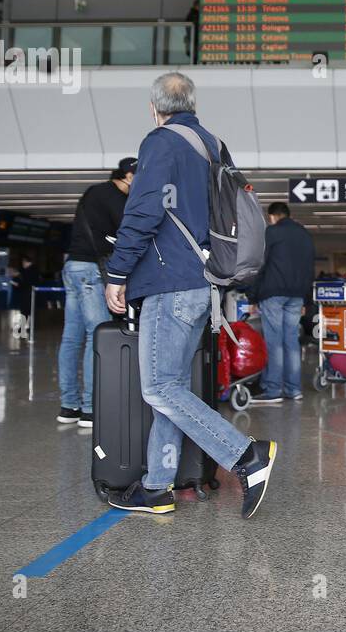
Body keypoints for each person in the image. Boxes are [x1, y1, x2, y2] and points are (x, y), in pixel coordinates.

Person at [102, 72, 277, 519]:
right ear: (193, 105)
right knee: (171, 390)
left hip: (170, 283)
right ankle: (157, 488)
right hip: (204, 283)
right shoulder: (213, 145)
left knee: (159, 387)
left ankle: (245, 456)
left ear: (154, 108)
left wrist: (117, 272)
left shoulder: (160, 142)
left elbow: (144, 210)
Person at [56, 157, 135, 427]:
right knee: (97, 334)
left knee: (71, 338)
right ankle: (90, 408)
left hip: (72, 266)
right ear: (127, 175)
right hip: (90, 269)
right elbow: (128, 232)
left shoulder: (93, 191)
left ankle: (68, 406)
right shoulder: (115, 197)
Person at [249, 201, 315, 403]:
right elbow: (309, 268)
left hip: (274, 294)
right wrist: (306, 299)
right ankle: (294, 389)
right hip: (296, 295)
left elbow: (260, 264)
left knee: (274, 342)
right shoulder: (304, 235)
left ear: (273, 216)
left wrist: (252, 296)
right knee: (291, 341)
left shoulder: (272, 233)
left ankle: (273, 390)